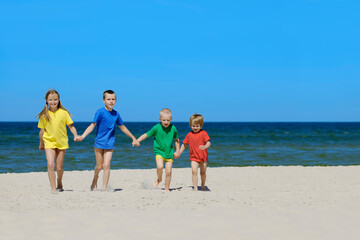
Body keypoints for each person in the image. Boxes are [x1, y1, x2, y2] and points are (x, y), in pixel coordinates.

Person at [76, 90, 140, 191]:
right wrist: (82, 136)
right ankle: (95, 179)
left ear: (116, 100)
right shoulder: (100, 112)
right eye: (108, 99)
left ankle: (104, 187)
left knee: (106, 165)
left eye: (113, 99)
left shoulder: (116, 114)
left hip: (110, 143)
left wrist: (133, 138)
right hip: (99, 143)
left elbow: (122, 127)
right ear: (103, 100)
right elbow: (92, 125)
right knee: (99, 166)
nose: (111, 101)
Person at [37, 89, 79, 193]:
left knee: (59, 167)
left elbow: (71, 126)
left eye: (55, 99)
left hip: (62, 142)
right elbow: (42, 132)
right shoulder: (44, 115)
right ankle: (53, 188)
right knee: (50, 164)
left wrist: (75, 135)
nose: (53, 102)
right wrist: (41, 143)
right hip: (49, 142)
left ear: (59, 100)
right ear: (46, 100)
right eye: (50, 100)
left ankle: (59, 182)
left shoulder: (64, 113)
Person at [137, 108, 180, 192]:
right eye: (164, 120)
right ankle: (159, 179)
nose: (166, 122)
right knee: (160, 166)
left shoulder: (173, 128)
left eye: (168, 120)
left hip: (169, 153)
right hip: (159, 151)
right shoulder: (156, 127)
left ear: (171, 119)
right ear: (160, 119)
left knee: (169, 172)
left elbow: (176, 140)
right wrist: (138, 140)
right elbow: (146, 134)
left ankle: (167, 188)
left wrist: (177, 151)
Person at [179, 114, 211, 191]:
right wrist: (179, 153)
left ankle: (203, 185)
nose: (195, 128)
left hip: (203, 157)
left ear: (201, 125)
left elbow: (208, 142)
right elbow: (184, 145)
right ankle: (195, 188)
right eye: (193, 126)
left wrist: (205, 146)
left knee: (202, 173)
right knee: (194, 171)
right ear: (190, 125)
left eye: (197, 126)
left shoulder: (204, 133)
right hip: (194, 157)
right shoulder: (189, 135)